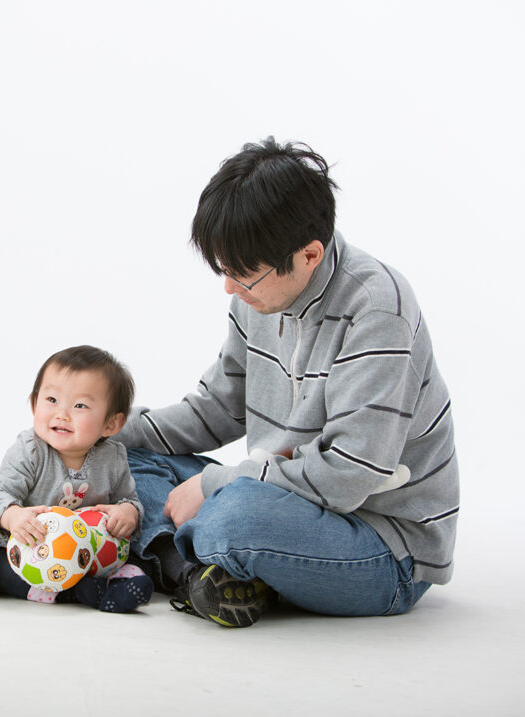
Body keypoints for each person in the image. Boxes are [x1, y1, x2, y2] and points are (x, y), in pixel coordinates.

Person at [115, 138, 459, 627]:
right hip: (282, 494)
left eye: (242, 275)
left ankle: (192, 559)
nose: (230, 288)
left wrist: (215, 484)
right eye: (223, 270)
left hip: (382, 546)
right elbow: (219, 408)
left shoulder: (378, 309)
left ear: (309, 254)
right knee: (123, 457)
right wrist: (106, 429)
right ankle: (207, 572)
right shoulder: (257, 296)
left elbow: (346, 477)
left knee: (234, 517)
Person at [0, 346, 154, 613]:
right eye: (51, 400)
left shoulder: (112, 457)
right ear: (33, 403)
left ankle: (119, 582)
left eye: (79, 406)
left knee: (136, 558)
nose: (62, 414)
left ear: (111, 423)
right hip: (32, 550)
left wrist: (127, 512)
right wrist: (14, 516)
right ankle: (74, 593)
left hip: (89, 553)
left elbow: (128, 498)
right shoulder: (30, 450)